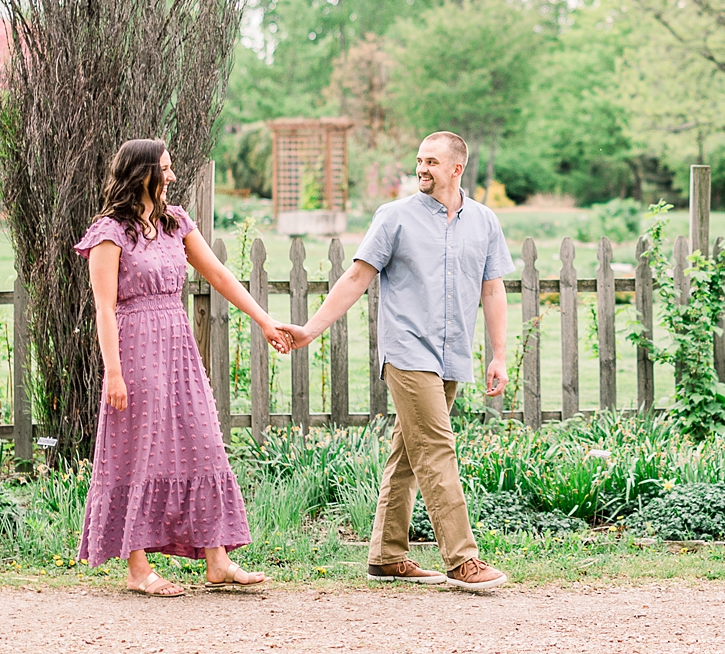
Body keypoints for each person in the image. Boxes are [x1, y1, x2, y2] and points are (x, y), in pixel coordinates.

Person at [277, 130, 510, 591]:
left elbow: (492, 288)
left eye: (431, 162)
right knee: (437, 447)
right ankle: (462, 559)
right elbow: (356, 276)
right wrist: (310, 329)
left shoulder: (484, 222)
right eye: (419, 160)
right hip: (407, 351)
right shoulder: (395, 218)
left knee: (408, 451)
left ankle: (386, 556)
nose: (421, 169)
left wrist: (498, 353)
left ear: (456, 169)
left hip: (452, 354)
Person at [74, 137, 290, 596]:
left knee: (203, 438)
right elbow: (104, 308)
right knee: (138, 449)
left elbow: (220, 275)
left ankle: (218, 560)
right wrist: (113, 371)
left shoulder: (177, 224)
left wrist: (264, 320)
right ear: (143, 174)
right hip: (134, 348)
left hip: (178, 345)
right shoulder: (110, 232)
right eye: (165, 169)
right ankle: (136, 569)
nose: (172, 176)